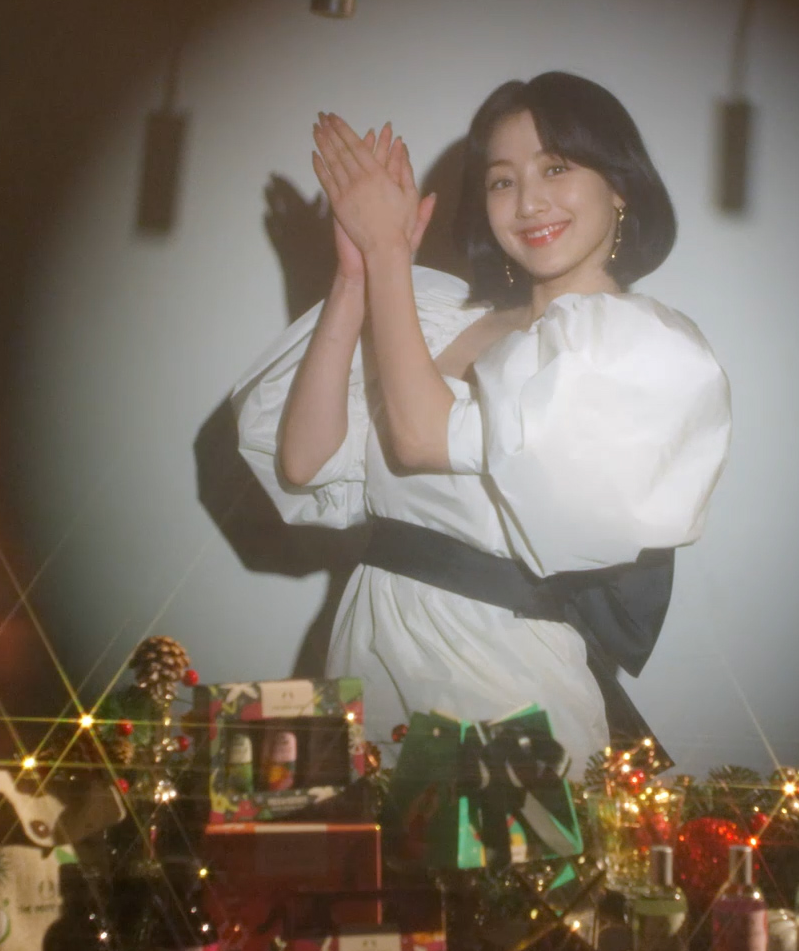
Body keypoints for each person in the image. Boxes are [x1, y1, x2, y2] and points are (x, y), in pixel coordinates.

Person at [231, 72, 731, 769]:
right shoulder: (443, 320)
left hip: (497, 675)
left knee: (489, 849)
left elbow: (418, 439)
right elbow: (303, 461)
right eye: (501, 180)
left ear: (620, 185)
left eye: (556, 167)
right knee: (344, 842)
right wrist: (356, 276)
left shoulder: (636, 346)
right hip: (367, 649)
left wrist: (389, 256)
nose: (528, 202)